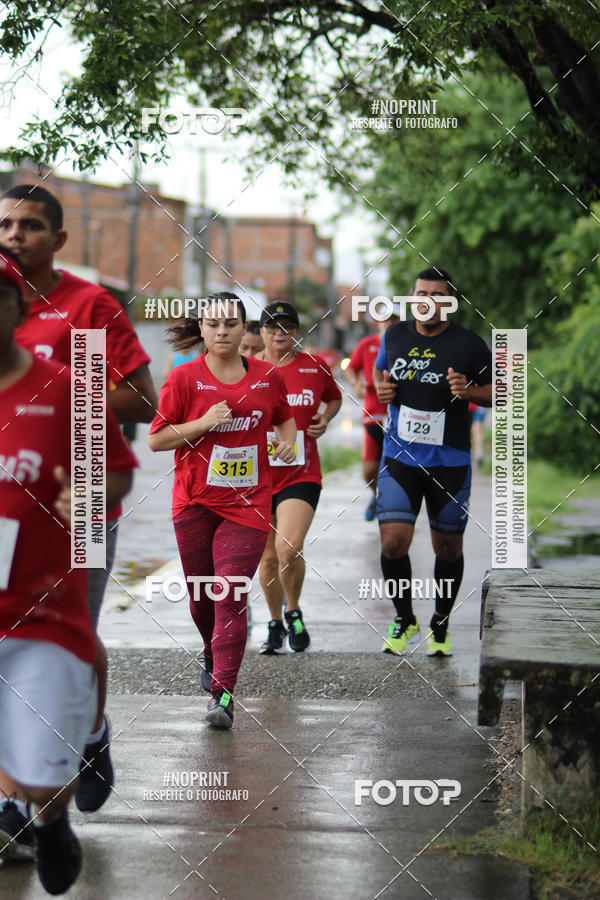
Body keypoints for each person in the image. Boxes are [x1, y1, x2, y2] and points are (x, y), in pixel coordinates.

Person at [0, 184, 157, 829]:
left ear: (58, 240)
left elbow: (142, 400)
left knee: (69, 636)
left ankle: (89, 736)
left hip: (81, 490)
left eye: (30, 226)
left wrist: (68, 398)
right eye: (6, 224)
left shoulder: (88, 305)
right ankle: (15, 800)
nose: (14, 236)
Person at [149, 292, 296, 728]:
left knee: (229, 592)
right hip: (194, 501)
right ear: (201, 328)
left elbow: (283, 417)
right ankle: (211, 651)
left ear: (243, 328)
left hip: (248, 504)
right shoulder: (184, 378)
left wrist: (285, 440)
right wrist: (203, 423)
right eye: (212, 324)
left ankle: (223, 696)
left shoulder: (268, 377)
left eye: (230, 324)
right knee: (201, 598)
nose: (222, 331)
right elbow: (157, 439)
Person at [374, 267, 492, 657]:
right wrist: (380, 388)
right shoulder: (395, 335)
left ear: (449, 301)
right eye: (421, 293)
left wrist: (471, 391)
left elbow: (503, 392)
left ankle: (439, 623)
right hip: (400, 455)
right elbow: (378, 372)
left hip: (450, 460)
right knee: (393, 541)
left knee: (448, 549)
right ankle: (404, 617)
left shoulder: (470, 345)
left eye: (437, 295)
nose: (428, 301)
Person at [256, 302, 342, 654]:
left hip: (301, 473)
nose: (280, 332)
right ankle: (275, 623)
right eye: (272, 326)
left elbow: (334, 398)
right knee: (268, 559)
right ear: (260, 331)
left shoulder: (313, 366)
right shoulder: (248, 370)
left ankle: (293, 610)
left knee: (288, 547)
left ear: (296, 331)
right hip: (256, 477)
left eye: (288, 326)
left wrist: (325, 417)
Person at [345, 321, 389, 521]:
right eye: (386, 319)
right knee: (370, 469)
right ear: (378, 322)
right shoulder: (367, 344)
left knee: (398, 468)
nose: (390, 323)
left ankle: (393, 507)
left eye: (395, 319)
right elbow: (351, 369)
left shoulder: (407, 344)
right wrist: (356, 383)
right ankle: (376, 495)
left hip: (402, 416)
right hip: (374, 414)